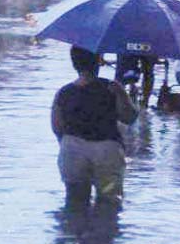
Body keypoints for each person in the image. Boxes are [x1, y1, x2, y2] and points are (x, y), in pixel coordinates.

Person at [52, 47, 139, 207]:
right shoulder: (112, 88)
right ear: (99, 61)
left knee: (75, 202)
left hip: (72, 149)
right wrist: (122, 95)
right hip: (107, 151)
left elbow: (57, 126)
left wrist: (66, 144)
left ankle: (75, 231)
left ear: (74, 64)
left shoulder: (64, 92)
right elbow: (129, 118)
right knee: (109, 203)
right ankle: (103, 230)